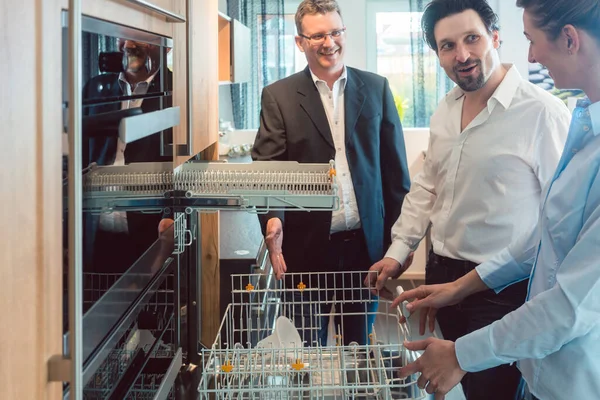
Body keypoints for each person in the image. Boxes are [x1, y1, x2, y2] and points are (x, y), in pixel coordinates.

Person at [393, 1, 600, 399]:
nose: (532, 56)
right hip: (528, 348)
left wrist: (462, 354)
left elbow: (571, 303)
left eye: (532, 40)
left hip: (566, 362)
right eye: (447, 45)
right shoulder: (585, 126)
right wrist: (460, 287)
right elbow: (548, 231)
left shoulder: (545, 113)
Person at [251, 0, 411, 346]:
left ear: (344, 33)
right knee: (305, 349)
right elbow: (268, 170)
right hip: (306, 248)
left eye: (335, 32)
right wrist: (272, 219)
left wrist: (401, 241)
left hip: (365, 247)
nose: (329, 42)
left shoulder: (377, 88)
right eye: (318, 35)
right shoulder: (278, 97)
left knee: (359, 349)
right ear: (300, 42)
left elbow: (395, 174)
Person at [82, 38, 173, 273]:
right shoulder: (96, 88)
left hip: (152, 234)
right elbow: (79, 154)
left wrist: (172, 218)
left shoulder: (181, 90)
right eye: (123, 36)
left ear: (167, 46)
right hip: (96, 234)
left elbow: (189, 164)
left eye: (141, 37)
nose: (128, 44)